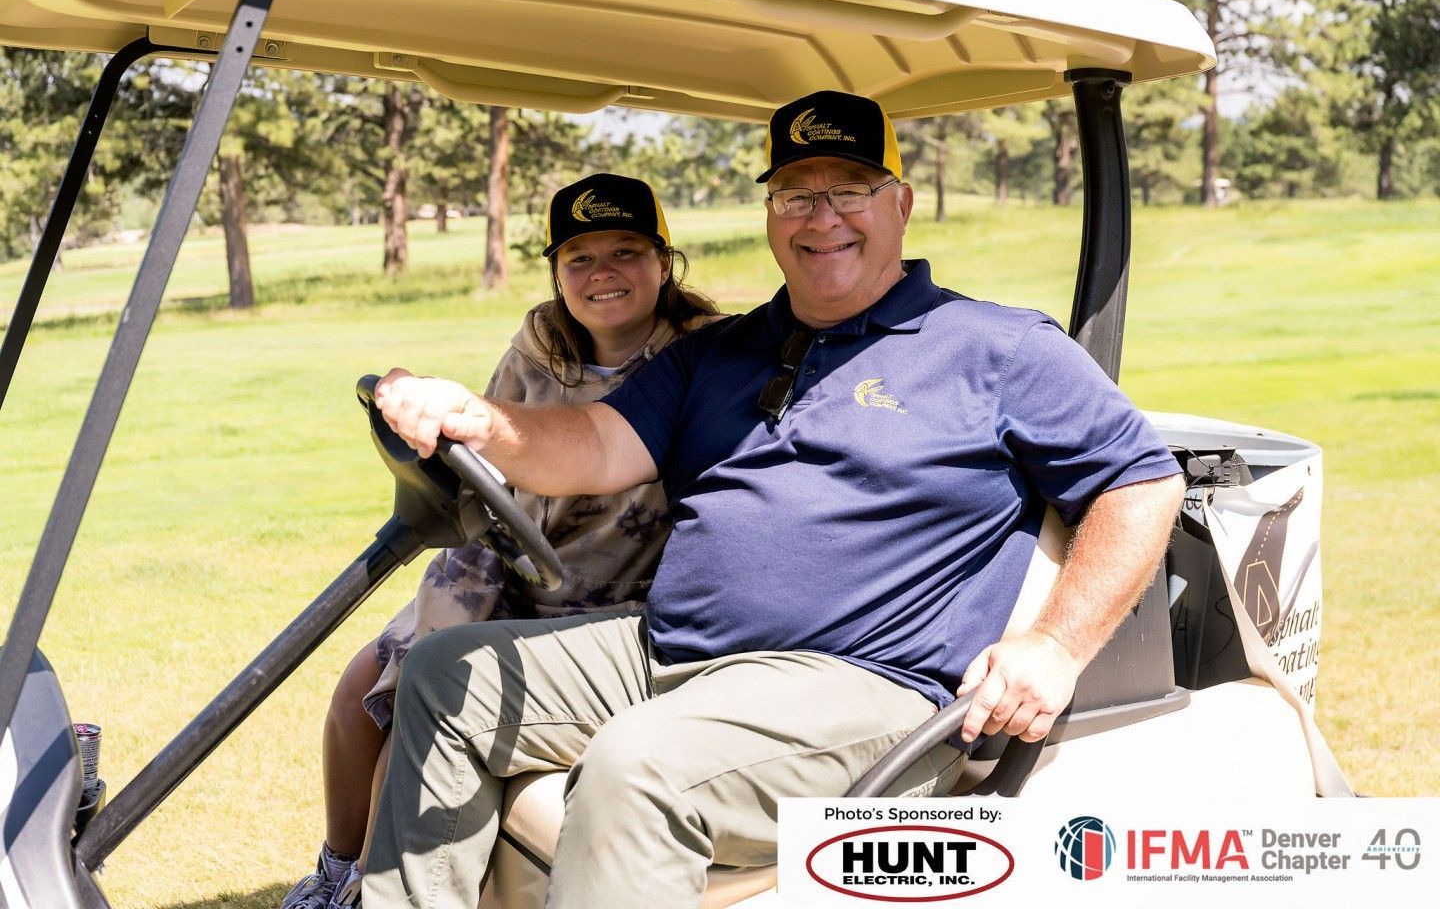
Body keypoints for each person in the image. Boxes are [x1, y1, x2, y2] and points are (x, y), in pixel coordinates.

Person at [363, 90, 1185, 909]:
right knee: (445, 671)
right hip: (673, 652)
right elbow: (592, 444)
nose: (820, 217)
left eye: (849, 191)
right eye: (795, 195)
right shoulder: (719, 350)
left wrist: (1055, 647)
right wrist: (479, 418)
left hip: (868, 687)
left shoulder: (996, 347)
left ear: (900, 205)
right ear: (770, 214)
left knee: (636, 766)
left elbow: (1142, 479)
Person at [279, 173, 721, 909]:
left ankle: (372, 889)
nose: (602, 274)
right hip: (510, 570)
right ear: (555, 270)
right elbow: (485, 462)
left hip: (616, 599)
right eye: (579, 257)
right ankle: (337, 871)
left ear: (664, 261)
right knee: (363, 686)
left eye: (626, 251)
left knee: (418, 712)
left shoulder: (705, 358)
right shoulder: (538, 347)